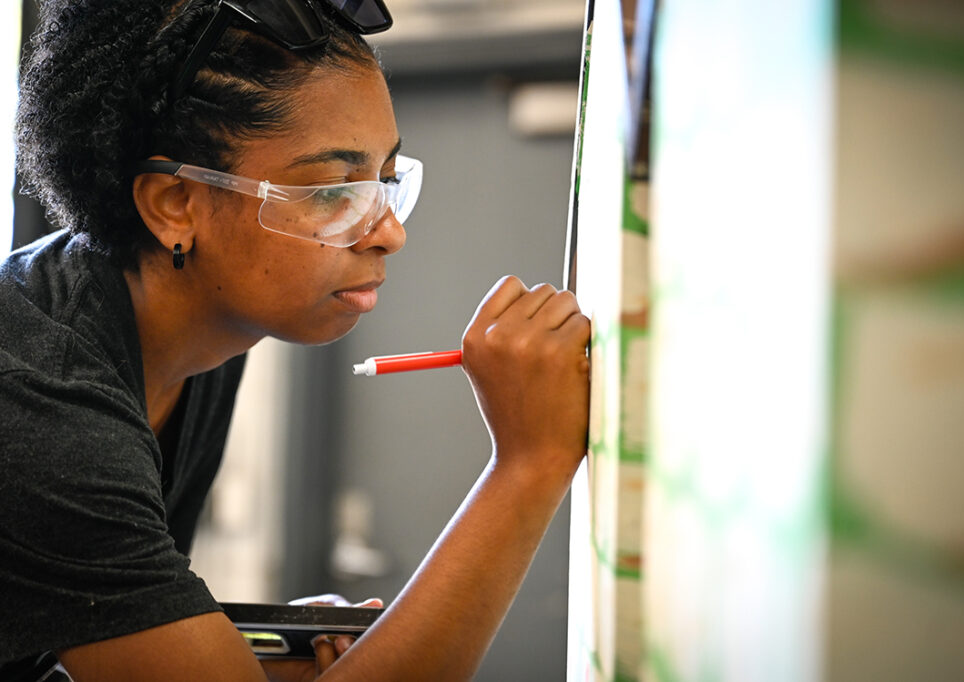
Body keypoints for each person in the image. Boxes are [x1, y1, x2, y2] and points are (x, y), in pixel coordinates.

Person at [0, 0, 590, 679]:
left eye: (386, 181)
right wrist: (525, 467)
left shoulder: (193, 336)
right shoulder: (43, 399)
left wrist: (235, 649)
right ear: (173, 204)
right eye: (334, 191)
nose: (389, 231)